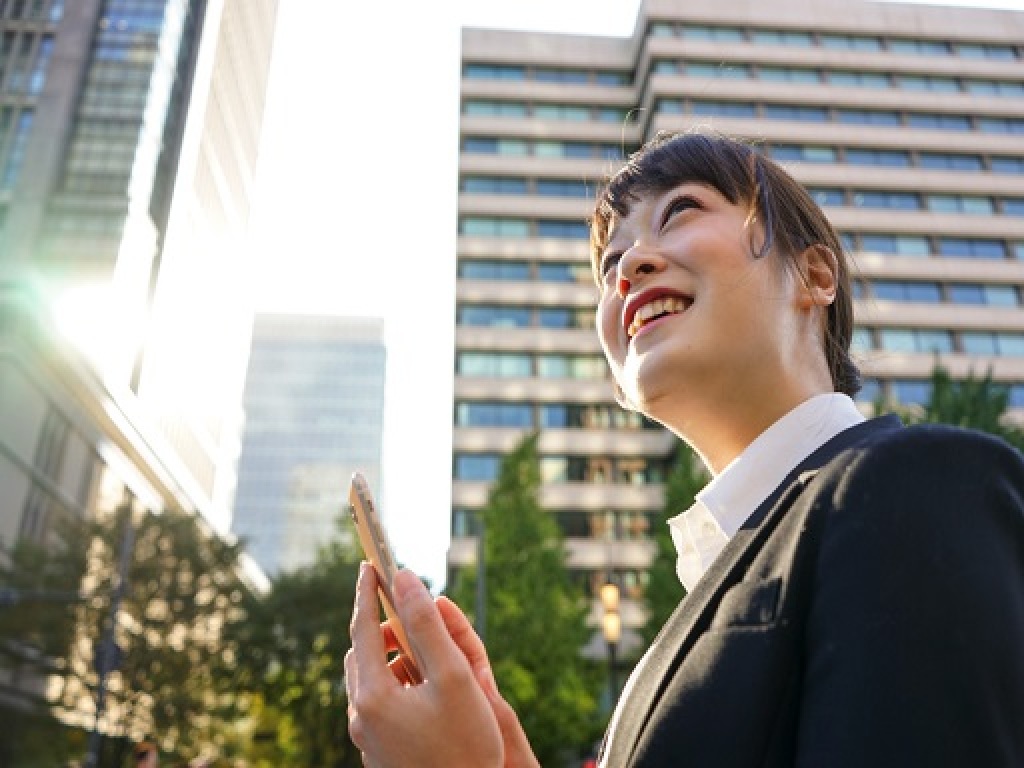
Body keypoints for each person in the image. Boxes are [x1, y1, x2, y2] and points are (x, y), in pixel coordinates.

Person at [345, 130, 1024, 767]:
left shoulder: (916, 488)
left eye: (681, 212)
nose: (628, 268)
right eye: (610, 264)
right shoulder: (696, 601)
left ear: (816, 276)